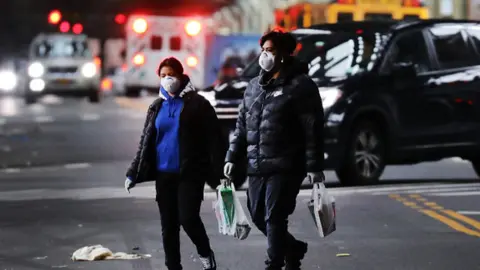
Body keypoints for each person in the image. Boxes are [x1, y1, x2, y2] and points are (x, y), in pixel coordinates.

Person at [223, 30, 325, 270]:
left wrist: (314, 167)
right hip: (256, 163)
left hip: (287, 164)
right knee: (258, 215)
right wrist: (231, 158)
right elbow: (241, 126)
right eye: (264, 50)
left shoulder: (301, 86)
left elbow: (313, 128)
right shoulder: (253, 88)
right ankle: (293, 248)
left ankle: (274, 263)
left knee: (275, 216)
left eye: (271, 50)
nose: (265, 55)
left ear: (284, 55)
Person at [124, 57, 222, 270]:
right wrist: (133, 172)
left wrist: (219, 172)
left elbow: (215, 139)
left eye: (172, 75)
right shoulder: (156, 106)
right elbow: (146, 141)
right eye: (163, 75)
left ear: (181, 76)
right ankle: (173, 267)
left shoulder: (198, 104)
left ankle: (205, 252)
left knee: (188, 218)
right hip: (164, 174)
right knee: (168, 226)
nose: (168, 79)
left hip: (190, 173)